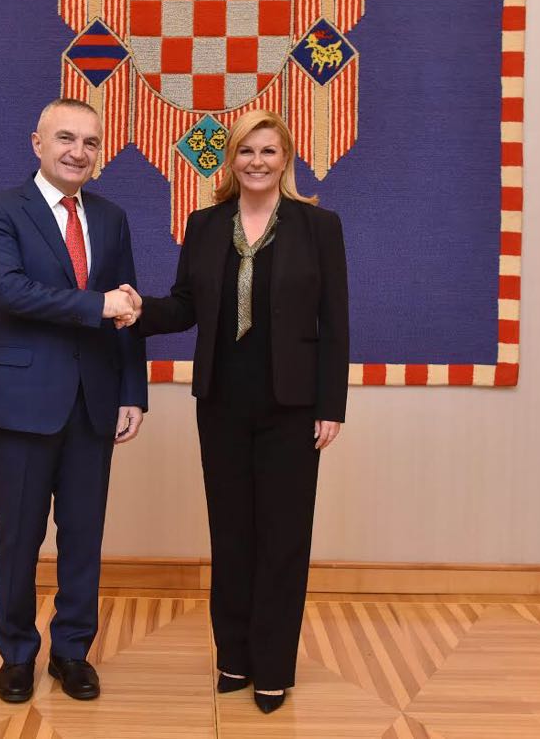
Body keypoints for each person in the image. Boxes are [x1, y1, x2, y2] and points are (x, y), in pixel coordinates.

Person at [120, 109, 348, 714]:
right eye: (246, 151)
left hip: (293, 407)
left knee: (283, 538)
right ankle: (235, 658)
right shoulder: (204, 224)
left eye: (268, 151)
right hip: (221, 402)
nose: (256, 161)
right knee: (231, 534)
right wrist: (138, 310)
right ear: (230, 160)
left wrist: (331, 404)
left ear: (286, 158)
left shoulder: (319, 227)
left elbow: (335, 322)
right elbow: (185, 306)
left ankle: (272, 666)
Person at [0, 98, 146, 704]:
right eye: (66, 138)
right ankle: (17, 654)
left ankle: (72, 652)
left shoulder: (112, 217)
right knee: (19, 537)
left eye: (90, 142)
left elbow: (127, 308)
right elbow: (10, 291)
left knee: (83, 536)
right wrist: (98, 304)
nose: (78, 152)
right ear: (37, 143)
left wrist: (132, 391)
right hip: (21, 401)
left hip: (95, 401)